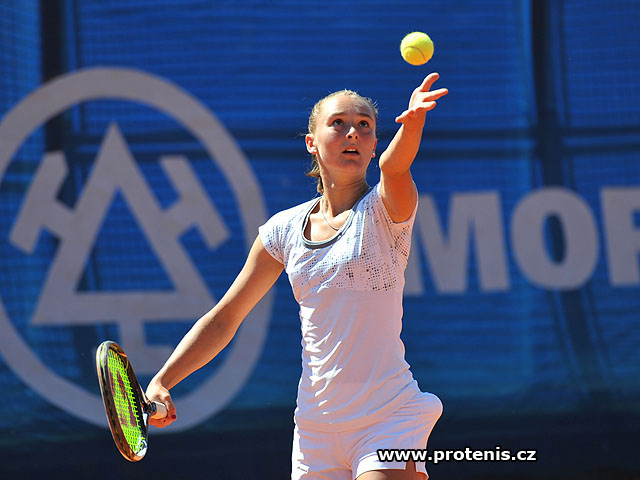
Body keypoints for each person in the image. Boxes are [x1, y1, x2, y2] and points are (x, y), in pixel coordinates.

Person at [146, 73, 449, 479]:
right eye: (338, 123)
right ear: (312, 142)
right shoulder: (282, 231)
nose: (353, 133)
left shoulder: (386, 210)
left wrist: (412, 126)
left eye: (364, 126)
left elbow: (394, 168)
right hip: (314, 431)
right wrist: (164, 380)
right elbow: (225, 318)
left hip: (387, 418)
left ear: (374, 144)